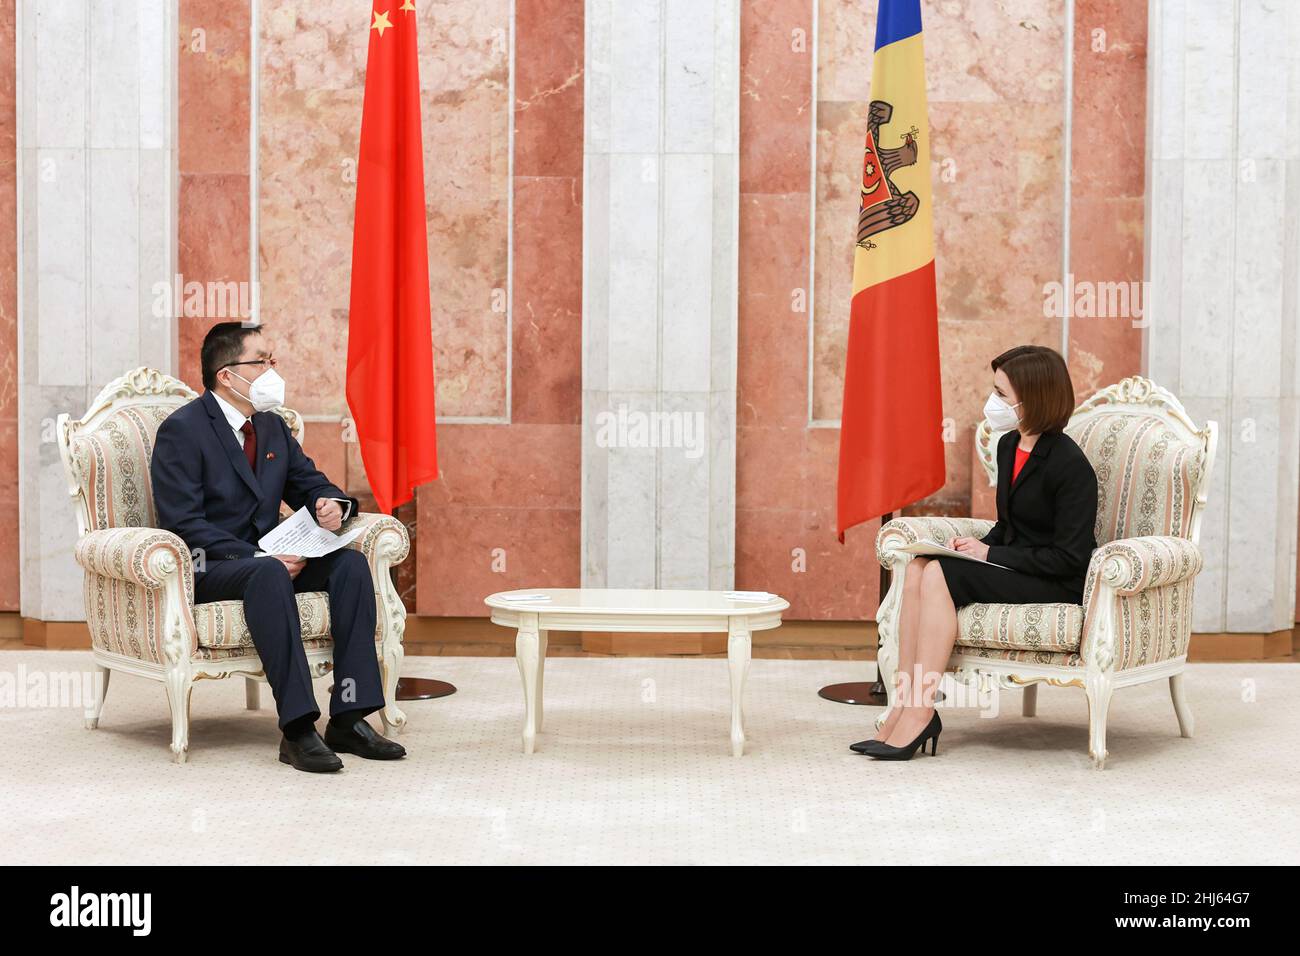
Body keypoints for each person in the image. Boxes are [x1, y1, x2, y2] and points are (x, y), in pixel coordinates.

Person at [150, 321, 406, 772]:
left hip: (272, 560)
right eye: (262, 361)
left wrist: (332, 506)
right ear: (227, 375)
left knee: (349, 565)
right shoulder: (183, 430)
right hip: (211, 564)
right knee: (268, 572)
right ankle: (297, 730)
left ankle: (348, 715)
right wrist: (256, 556)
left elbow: (311, 483)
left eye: (272, 360)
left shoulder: (270, 427)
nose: (272, 369)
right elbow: (183, 525)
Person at [852, 344, 1098, 760]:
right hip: (1017, 567)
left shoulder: (1070, 465)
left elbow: (1070, 558)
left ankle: (921, 711)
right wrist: (980, 547)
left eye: (1002, 395)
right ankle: (905, 706)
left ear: (1033, 401)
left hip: (1055, 579)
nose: (993, 402)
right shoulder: (1008, 447)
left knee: (941, 575)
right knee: (918, 567)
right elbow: (1012, 525)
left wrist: (991, 557)